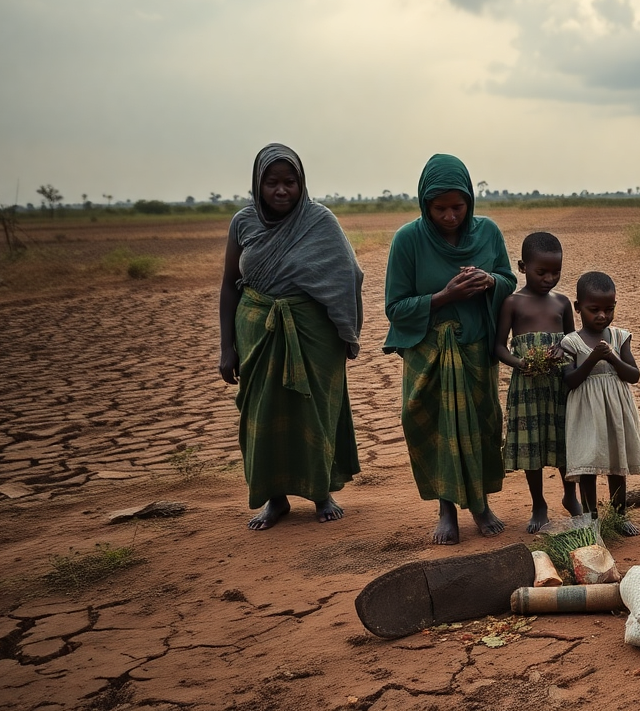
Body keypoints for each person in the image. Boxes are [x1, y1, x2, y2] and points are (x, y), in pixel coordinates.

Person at [218, 143, 363, 531]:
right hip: (257, 329)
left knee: (315, 411)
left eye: (290, 182)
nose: (281, 191)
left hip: (313, 332)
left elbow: (347, 274)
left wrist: (346, 331)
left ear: (301, 183)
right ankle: (274, 499)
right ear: (257, 183)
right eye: (272, 182)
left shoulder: (319, 220)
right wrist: (226, 347)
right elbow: (230, 286)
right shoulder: (242, 223)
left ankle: (321, 493)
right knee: (260, 414)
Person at [384, 153, 517, 545]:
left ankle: (480, 506)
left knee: (481, 425)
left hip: (475, 350)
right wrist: (444, 296)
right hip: (428, 352)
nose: (449, 216)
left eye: (458, 206)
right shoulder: (408, 240)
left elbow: (510, 279)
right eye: (438, 208)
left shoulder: (488, 232)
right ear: (425, 204)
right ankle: (446, 509)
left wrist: (489, 280)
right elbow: (395, 307)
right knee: (433, 427)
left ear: (470, 201)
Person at [494, 231, 582, 533]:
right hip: (527, 387)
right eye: (541, 271)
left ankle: (571, 497)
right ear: (522, 267)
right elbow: (498, 346)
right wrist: (521, 363)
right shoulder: (512, 303)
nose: (549, 278)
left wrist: (564, 348)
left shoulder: (561, 303)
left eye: (556, 272)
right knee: (532, 448)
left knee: (564, 444)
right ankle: (538, 503)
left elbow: (575, 339)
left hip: (560, 386)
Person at [560, 271, 640, 536]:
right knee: (588, 464)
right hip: (586, 412)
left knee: (616, 461)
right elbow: (570, 380)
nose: (602, 316)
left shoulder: (620, 337)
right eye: (593, 309)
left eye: (609, 309)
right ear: (578, 308)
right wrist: (591, 359)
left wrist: (612, 358)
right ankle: (591, 519)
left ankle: (620, 516)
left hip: (616, 411)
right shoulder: (571, 342)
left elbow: (633, 375)